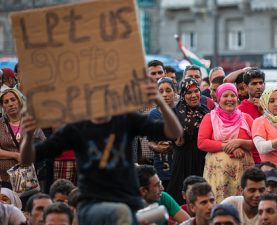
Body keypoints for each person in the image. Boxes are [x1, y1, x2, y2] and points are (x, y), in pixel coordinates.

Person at [20, 81, 183, 225]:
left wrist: (161, 104)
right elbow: (27, 159)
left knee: (158, 215)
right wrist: (27, 136)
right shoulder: (76, 128)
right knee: (122, 213)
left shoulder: (126, 120)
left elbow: (174, 132)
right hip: (93, 204)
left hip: (130, 201)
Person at [198, 83, 255, 203]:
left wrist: (240, 142)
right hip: (218, 176)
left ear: (237, 98)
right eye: (225, 96)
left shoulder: (246, 118)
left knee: (243, 207)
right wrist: (228, 146)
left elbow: (257, 143)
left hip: (243, 174)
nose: (229, 99)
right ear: (218, 98)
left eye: (233, 95)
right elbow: (202, 143)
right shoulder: (210, 117)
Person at [166, 78, 209, 205]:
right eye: (189, 92)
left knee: (202, 197)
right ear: (183, 95)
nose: (194, 95)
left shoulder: (206, 111)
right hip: (182, 160)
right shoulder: (174, 112)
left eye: (196, 91)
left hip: (202, 159)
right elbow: (172, 138)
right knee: (180, 198)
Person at [0, 88, 46, 189]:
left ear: (19, 101)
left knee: (30, 203)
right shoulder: (0, 124)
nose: (10, 104)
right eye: (6, 102)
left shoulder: (29, 120)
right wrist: (16, 155)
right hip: (7, 179)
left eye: (13, 99)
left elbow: (43, 143)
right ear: (2, 106)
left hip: (32, 177)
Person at [148, 77, 177, 189]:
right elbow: (150, 142)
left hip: (178, 166)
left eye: (168, 90)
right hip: (161, 167)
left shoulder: (180, 112)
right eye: (161, 91)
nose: (165, 95)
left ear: (175, 92)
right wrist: (157, 147)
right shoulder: (153, 114)